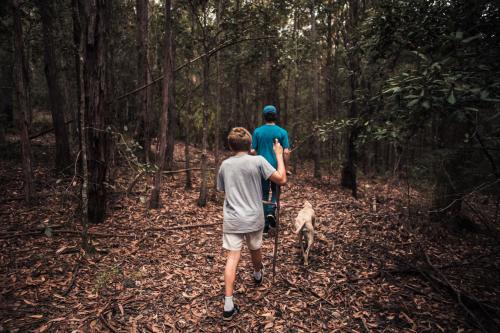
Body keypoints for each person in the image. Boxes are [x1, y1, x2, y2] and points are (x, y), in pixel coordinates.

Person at [217, 127, 287, 321]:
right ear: (250, 145)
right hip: (253, 217)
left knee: (233, 257)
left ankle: (228, 304)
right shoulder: (258, 161)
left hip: (232, 218)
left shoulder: (225, 165)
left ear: (231, 146)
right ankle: (257, 273)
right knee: (255, 248)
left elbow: (223, 189)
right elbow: (282, 179)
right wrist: (279, 155)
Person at [250, 105, 290, 233]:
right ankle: (271, 211)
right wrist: (286, 167)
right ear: (275, 116)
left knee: (264, 194)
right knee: (276, 191)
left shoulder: (257, 132)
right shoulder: (282, 132)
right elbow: (287, 152)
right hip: (277, 167)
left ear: (264, 116)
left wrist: (256, 159)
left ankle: (265, 226)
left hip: (261, 168)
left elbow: (252, 150)